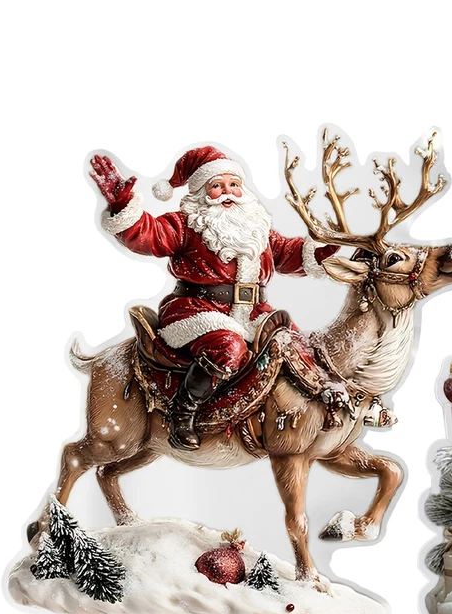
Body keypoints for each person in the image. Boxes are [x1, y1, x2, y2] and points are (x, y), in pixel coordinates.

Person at [91, 146, 343, 450]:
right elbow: (148, 235)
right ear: (201, 192)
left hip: (251, 312)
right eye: (217, 185)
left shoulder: (256, 228)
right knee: (228, 347)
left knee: (294, 342)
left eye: (234, 184)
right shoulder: (186, 224)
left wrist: (318, 251)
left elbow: (287, 253)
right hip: (197, 310)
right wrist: (123, 205)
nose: (228, 192)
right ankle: (183, 411)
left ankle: (329, 398)